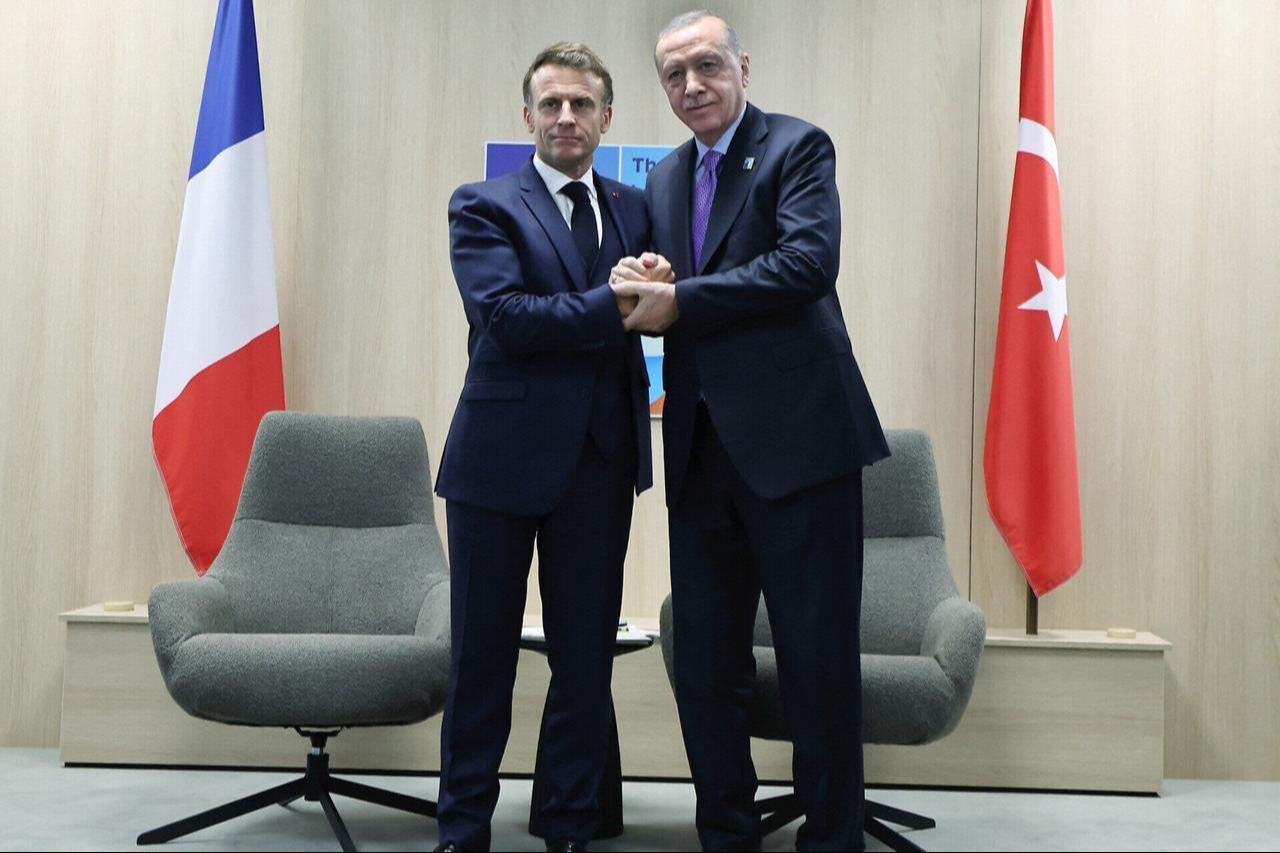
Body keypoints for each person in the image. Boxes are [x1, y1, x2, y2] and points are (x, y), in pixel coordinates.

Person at [610, 11, 889, 851]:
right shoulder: (664, 178)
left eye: (706, 65)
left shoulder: (797, 148)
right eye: (673, 74)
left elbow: (808, 263)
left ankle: (831, 837)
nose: (691, 85)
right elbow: (671, 291)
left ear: (743, 67)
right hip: (700, 453)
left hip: (801, 448)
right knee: (706, 665)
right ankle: (725, 831)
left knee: (816, 660)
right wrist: (650, 276)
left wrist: (683, 298)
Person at [434, 42, 652, 853]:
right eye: (551, 104)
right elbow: (506, 317)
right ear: (527, 116)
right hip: (498, 461)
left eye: (582, 104)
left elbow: (661, 301)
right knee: (481, 661)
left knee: (584, 663)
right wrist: (615, 303)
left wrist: (647, 293)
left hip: (600, 461)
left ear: (607, 117)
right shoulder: (483, 204)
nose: (566, 117)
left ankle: (568, 828)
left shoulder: (636, 209)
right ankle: (463, 830)